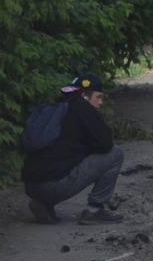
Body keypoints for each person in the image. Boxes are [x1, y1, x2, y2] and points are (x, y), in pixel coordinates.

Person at [22, 74, 124, 225]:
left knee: (60, 161)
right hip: (54, 187)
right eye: (98, 96)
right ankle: (94, 210)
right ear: (84, 95)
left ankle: (43, 203)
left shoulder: (57, 107)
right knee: (115, 153)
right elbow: (106, 143)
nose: (101, 102)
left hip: (30, 185)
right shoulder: (82, 109)